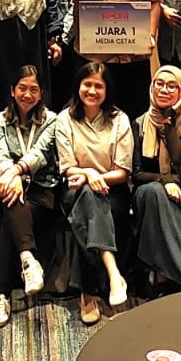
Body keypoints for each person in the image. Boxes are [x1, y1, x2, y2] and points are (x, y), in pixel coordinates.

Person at [55, 61, 133, 324]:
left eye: (98, 86)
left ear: (107, 90)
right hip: (74, 189)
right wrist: (90, 174)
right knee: (87, 197)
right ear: (78, 86)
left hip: (112, 190)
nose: (91, 91)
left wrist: (95, 178)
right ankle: (114, 274)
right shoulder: (64, 119)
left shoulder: (119, 119)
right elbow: (67, 168)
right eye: (86, 84)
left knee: (87, 210)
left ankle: (87, 293)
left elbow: (122, 171)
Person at [0, 65, 59, 327]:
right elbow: (0, 155)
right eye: (22, 88)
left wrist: (16, 174)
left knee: (11, 210)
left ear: (41, 94)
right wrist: (12, 176)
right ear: (12, 90)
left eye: (33, 89)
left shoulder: (51, 120)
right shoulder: (0, 120)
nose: (27, 94)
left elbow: (40, 153)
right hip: (12, 185)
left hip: (42, 189)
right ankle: (28, 261)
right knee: (12, 201)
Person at [132, 65, 181, 293]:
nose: (164, 90)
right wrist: (166, 181)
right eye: (159, 84)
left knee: (168, 203)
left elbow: (180, 157)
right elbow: (136, 173)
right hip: (151, 194)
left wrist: (169, 121)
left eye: (172, 86)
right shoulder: (138, 124)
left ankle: (162, 274)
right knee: (153, 192)